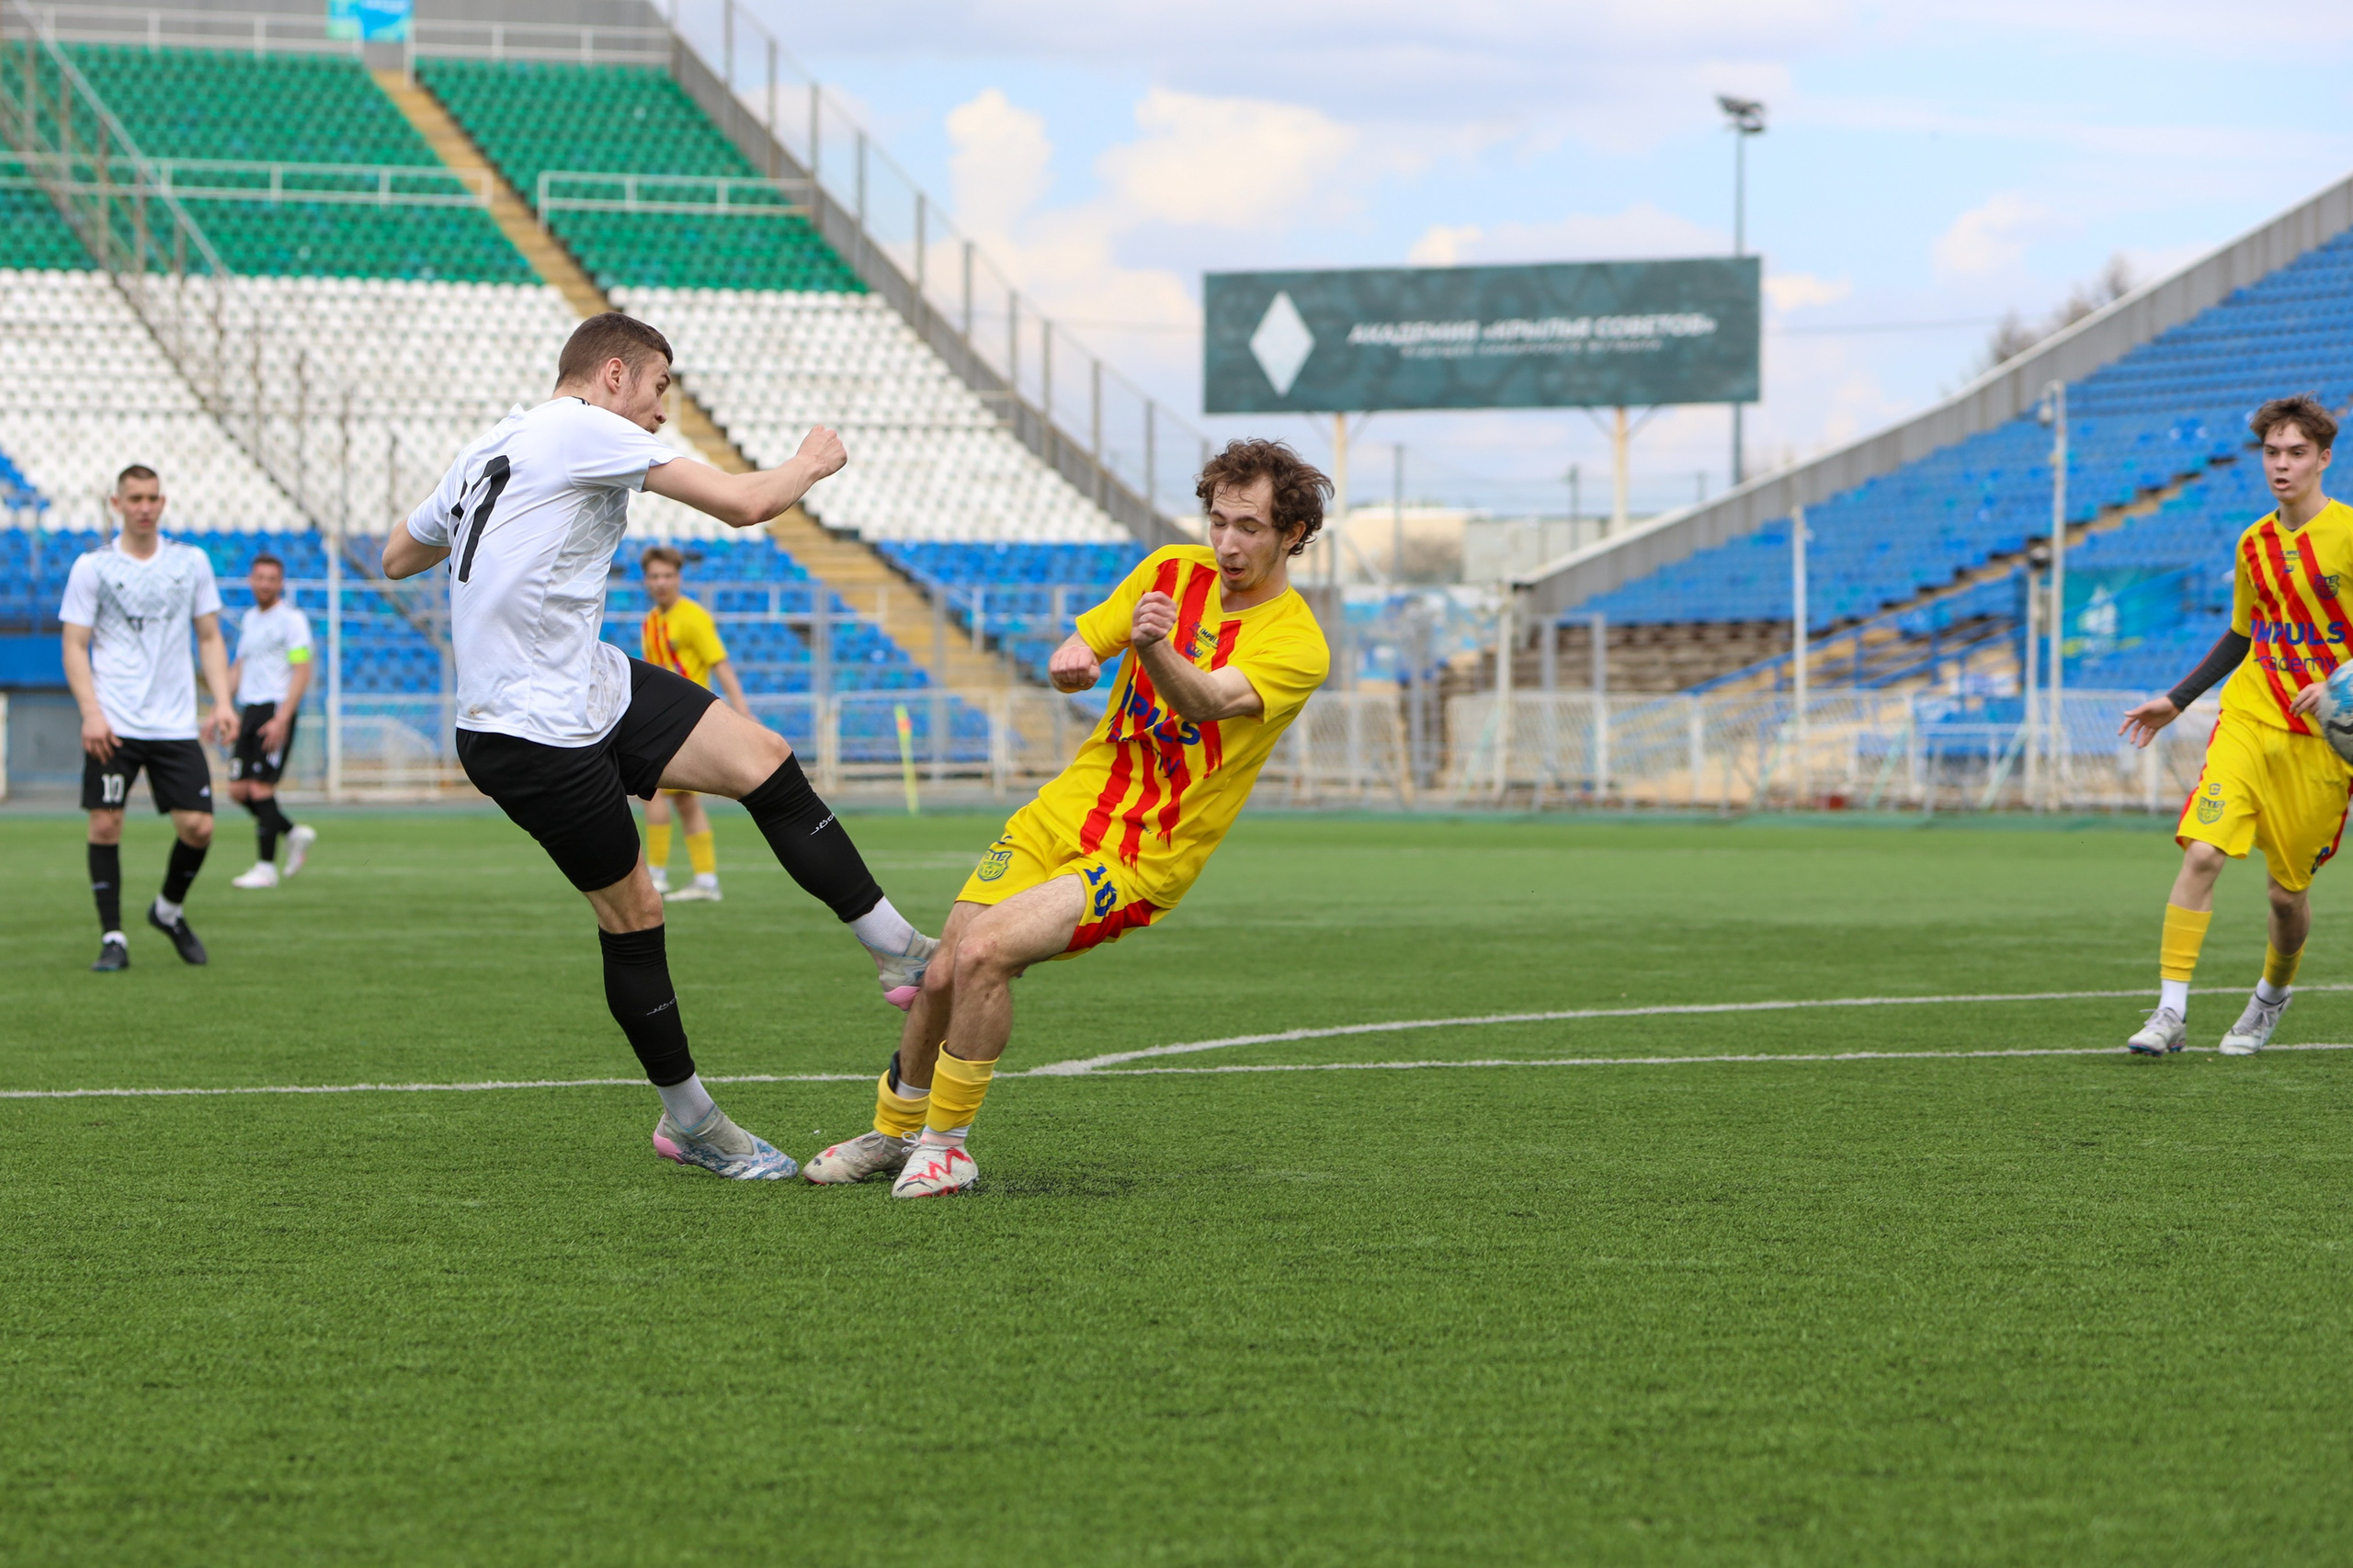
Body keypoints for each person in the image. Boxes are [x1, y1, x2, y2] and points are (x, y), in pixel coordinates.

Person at [381, 312, 936, 1182]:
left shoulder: (497, 442)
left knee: (762, 758)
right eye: (659, 387)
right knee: (635, 913)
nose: (660, 409)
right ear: (612, 375)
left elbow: (395, 555)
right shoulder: (581, 429)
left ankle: (897, 947)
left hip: (587, 679)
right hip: (529, 729)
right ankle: (692, 1124)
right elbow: (748, 505)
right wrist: (811, 460)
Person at [803, 438, 1333, 1198]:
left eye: (1249, 527)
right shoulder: (1168, 572)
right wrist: (1071, 661)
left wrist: (1148, 649)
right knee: (944, 967)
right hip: (1062, 809)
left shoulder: (1297, 642)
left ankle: (947, 1147)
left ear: (1292, 534)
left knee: (987, 951)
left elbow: (1206, 701)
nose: (1227, 543)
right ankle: (892, 1136)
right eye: (1218, 521)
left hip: (1141, 855)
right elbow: (1080, 644)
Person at [2120, 394, 2353, 1055]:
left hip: (2323, 748)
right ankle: (2169, 1013)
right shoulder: (2253, 543)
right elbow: (2243, 635)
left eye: (2296, 453)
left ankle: (2270, 997)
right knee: (2202, 851)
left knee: (2286, 899)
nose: (2282, 466)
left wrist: (2336, 683)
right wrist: (2179, 698)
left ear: (2324, 459)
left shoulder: (2349, 535)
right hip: (2249, 716)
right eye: (2272, 453)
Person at [60, 464, 238, 971]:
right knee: (105, 824)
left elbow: (208, 635)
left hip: (175, 722)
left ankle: (167, 910)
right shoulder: (92, 568)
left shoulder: (191, 563)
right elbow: (74, 644)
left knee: (199, 827)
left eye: (153, 497)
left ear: (163, 503)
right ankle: (113, 937)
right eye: (134, 497)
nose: (144, 506)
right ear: (116, 503)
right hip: (113, 720)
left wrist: (223, 701)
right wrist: (91, 713)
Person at [637, 544, 750, 902]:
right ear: (646, 581)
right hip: (661, 720)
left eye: (667, 575)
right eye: (655, 576)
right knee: (673, 799)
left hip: (687, 721)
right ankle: (699, 879)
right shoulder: (651, 622)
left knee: (659, 795)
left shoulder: (693, 617)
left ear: (679, 577)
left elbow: (721, 664)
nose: (661, 582)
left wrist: (744, 714)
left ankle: (665, 875)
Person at [224, 551, 318, 889]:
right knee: (237, 790)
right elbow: (239, 665)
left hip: (275, 709)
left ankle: (266, 868)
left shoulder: (291, 621)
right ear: (251, 580)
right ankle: (292, 832)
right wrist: (223, 706)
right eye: (259, 577)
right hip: (250, 709)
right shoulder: (249, 620)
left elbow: (302, 669)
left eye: (271, 579)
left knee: (261, 788)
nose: (264, 584)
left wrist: (282, 718)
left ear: (280, 583)